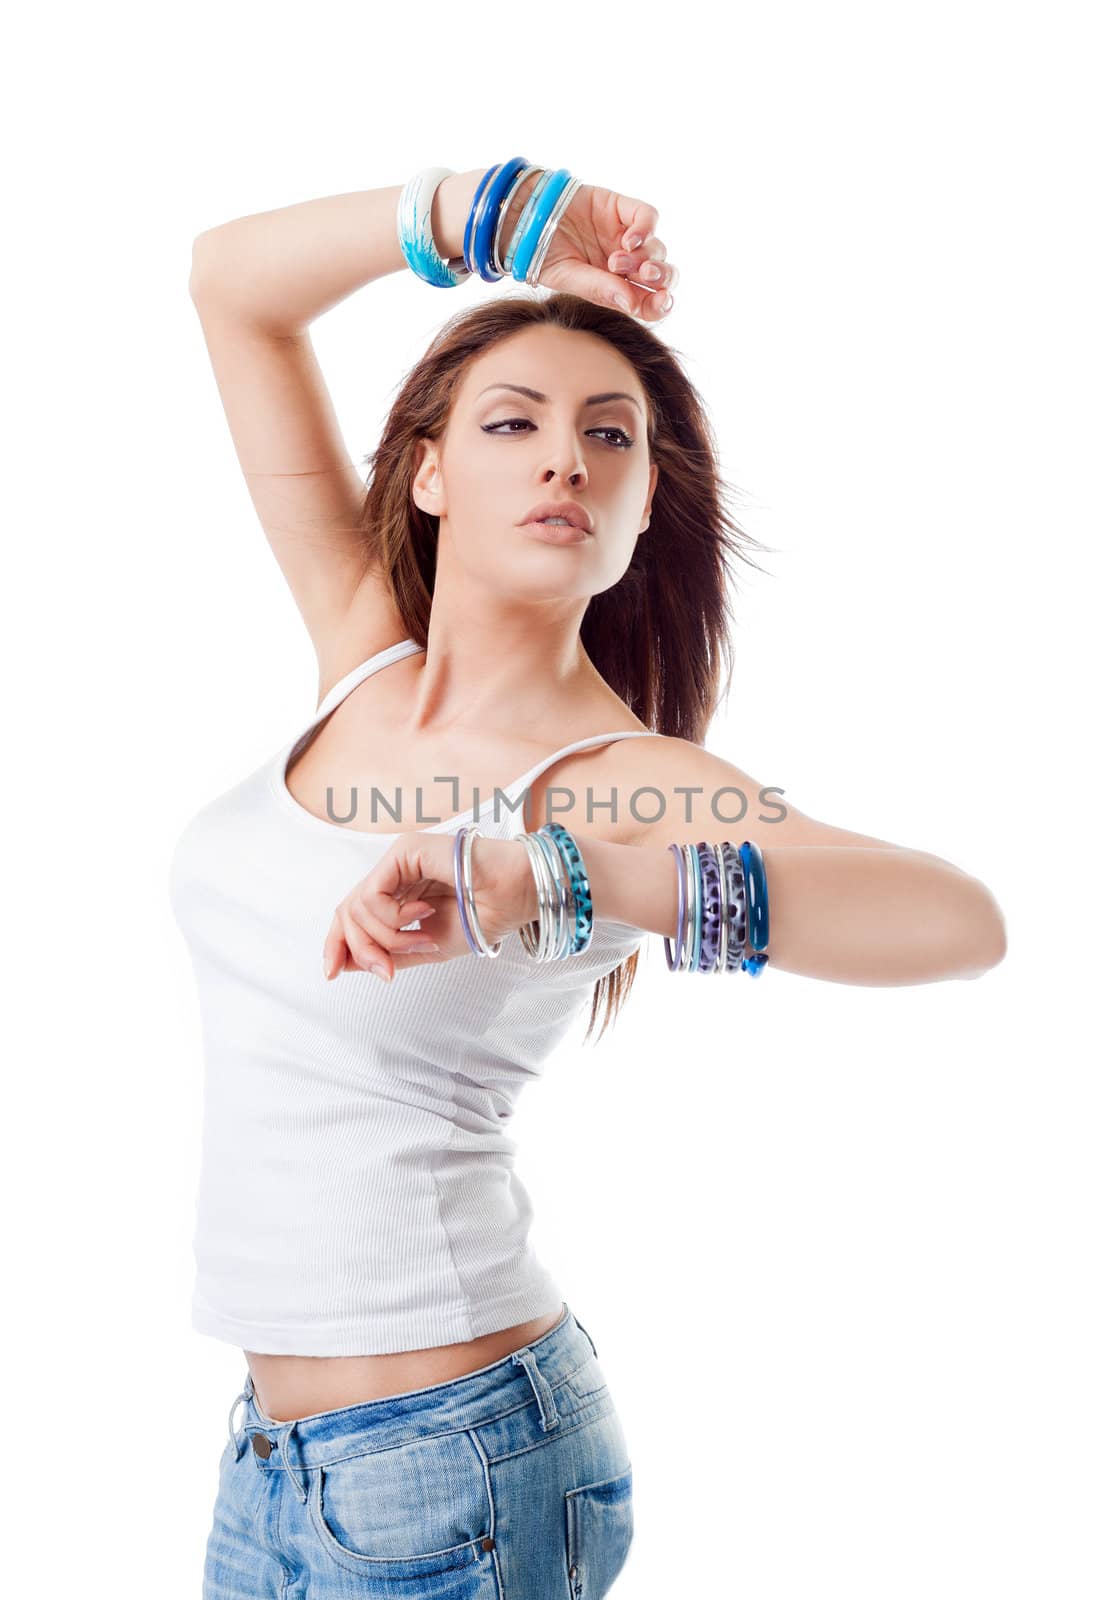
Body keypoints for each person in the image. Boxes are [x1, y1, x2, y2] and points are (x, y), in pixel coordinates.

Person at [170, 160, 1006, 1598]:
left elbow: (958, 921)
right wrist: (490, 215)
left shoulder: (612, 772)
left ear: (633, 520)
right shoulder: (359, 651)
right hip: (275, 1458)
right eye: (514, 422)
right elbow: (232, 285)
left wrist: (565, 876)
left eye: (607, 438)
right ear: (426, 473)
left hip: (453, 1462)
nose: (564, 459)